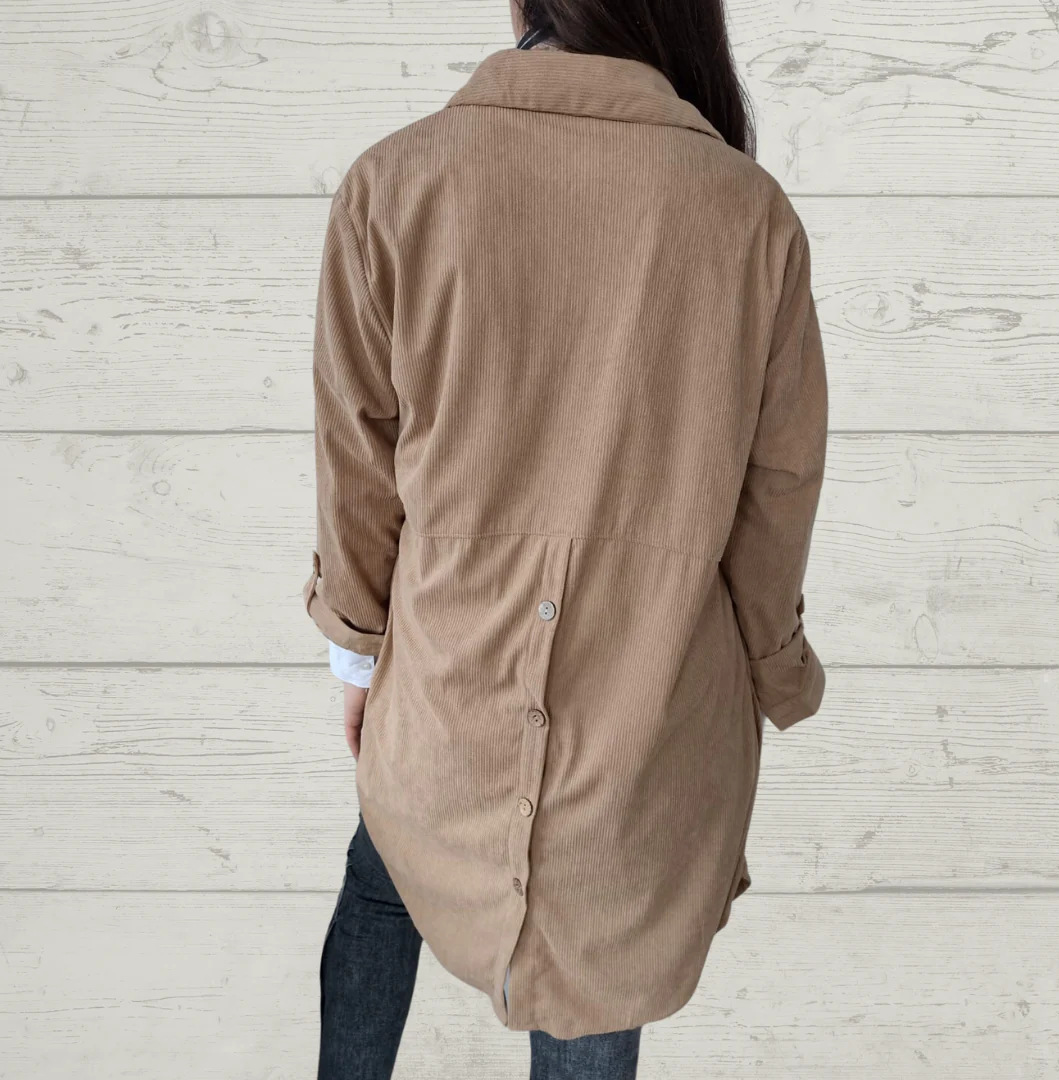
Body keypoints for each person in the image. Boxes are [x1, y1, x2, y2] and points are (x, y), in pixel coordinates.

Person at [305, 1, 829, 1076]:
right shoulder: (749, 215)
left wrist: (358, 656)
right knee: (597, 961)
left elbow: (359, 466)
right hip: (647, 725)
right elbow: (776, 496)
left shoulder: (395, 183)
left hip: (440, 698)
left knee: (385, 875)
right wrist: (775, 674)